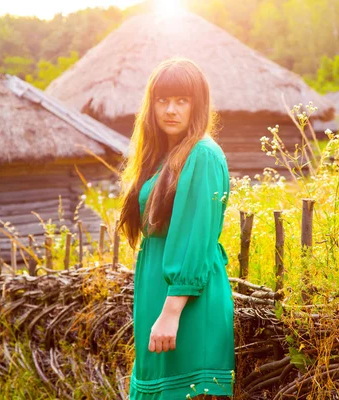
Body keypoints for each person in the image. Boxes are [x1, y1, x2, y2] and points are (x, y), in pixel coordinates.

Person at [118, 57, 235, 400]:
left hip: (187, 304)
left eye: (182, 100)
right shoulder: (160, 157)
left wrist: (170, 313)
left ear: (198, 105)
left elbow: (195, 238)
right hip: (158, 294)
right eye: (162, 100)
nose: (170, 109)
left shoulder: (203, 155)